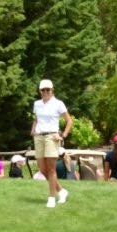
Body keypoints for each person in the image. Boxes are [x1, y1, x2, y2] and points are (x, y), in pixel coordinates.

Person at [31, 79, 72, 208]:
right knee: (42, 169)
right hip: (39, 137)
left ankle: (52, 198)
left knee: (51, 169)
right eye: (43, 90)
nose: (45, 92)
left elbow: (69, 121)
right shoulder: (37, 104)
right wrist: (33, 130)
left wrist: (63, 135)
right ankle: (62, 191)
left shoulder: (58, 104)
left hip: (52, 137)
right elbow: (36, 119)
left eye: (48, 89)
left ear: (52, 90)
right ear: (40, 91)